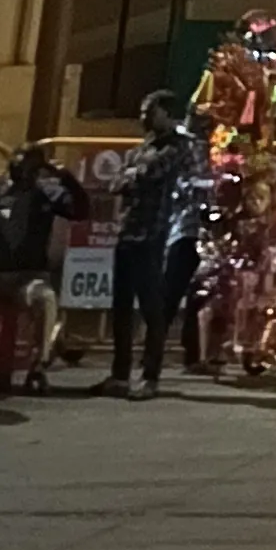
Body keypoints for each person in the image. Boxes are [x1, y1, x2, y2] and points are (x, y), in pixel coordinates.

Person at [99, 92, 202, 399]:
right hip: (127, 232)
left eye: (150, 111)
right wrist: (130, 175)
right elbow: (116, 182)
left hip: (152, 234)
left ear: (167, 114)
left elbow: (149, 174)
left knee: (151, 307)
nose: (144, 117)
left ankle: (150, 376)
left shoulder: (177, 146)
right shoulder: (143, 147)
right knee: (120, 306)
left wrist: (132, 174)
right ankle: (119, 375)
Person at [0, 147, 88, 394]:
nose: (24, 174)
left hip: (28, 279)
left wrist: (66, 178)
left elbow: (80, 211)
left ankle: (38, 366)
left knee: (46, 298)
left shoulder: (47, 192)